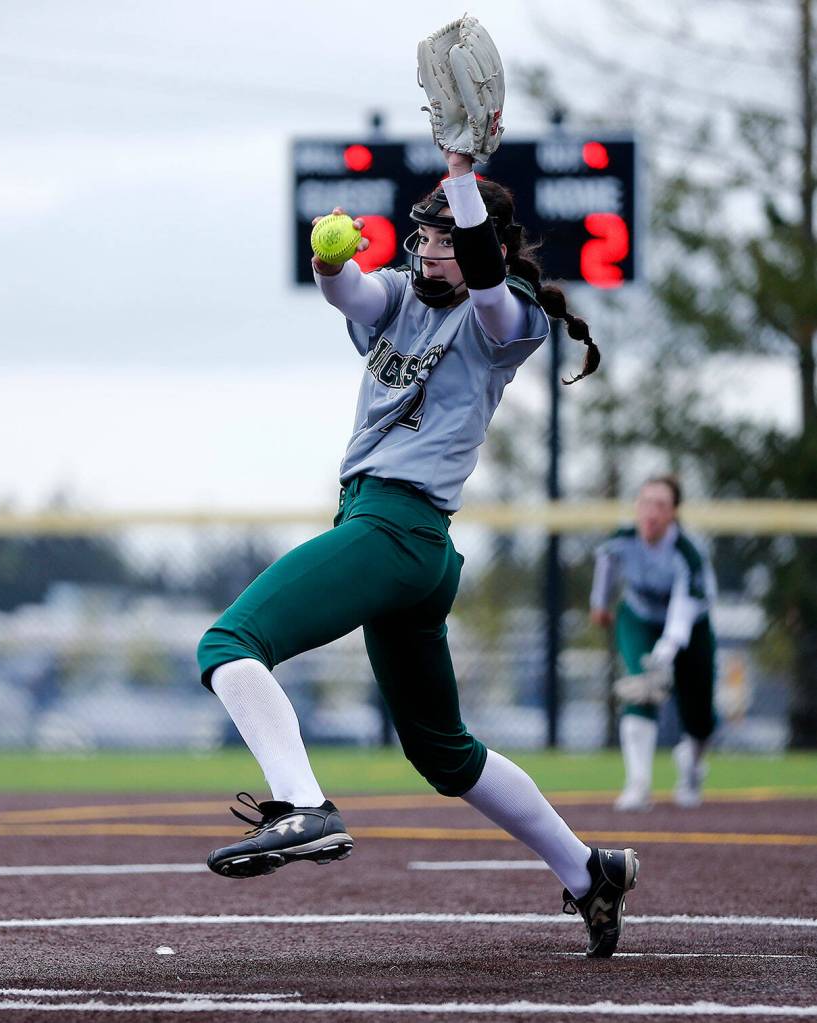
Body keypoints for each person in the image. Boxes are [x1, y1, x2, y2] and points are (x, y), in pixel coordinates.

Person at [196, 144, 638, 958]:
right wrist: (329, 259)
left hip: (396, 530)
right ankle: (588, 870)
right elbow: (351, 289)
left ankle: (302, 804)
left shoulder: (508, 314)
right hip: (397, 542)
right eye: (423, 237)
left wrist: (462, 173)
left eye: (440, 238)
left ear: (488, 247)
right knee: (442, 752)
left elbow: (483, 282)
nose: (424, 249)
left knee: (228, 642)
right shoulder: (401, 293)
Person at [590, 475, 717, 811]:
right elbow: (606, 564)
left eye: (661, 505)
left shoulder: (687, 554)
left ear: (674, 512)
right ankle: (638, 784)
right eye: (645, 502)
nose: (651, 512)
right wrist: (600, 604)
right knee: (641, 687)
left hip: (691, 626)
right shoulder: (622, 539)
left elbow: (682, 609)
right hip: (639, 618)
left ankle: (691, 766)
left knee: (700, 711)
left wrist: (666, 651)